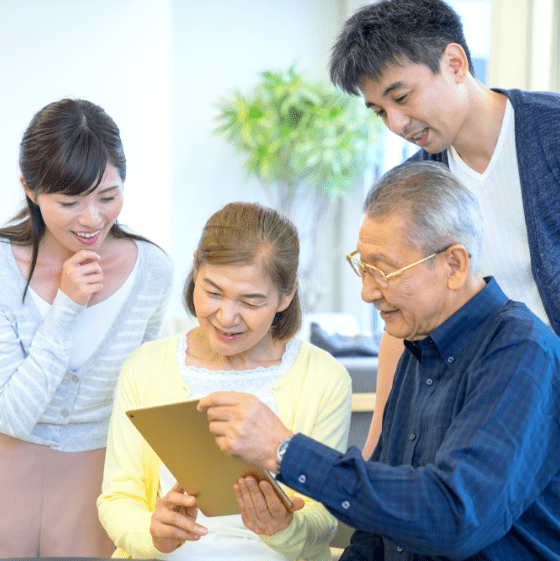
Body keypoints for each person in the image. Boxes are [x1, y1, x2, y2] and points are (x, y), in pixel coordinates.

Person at [199, 162, 560, 560]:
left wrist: (285, 451)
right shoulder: (415, 347)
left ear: (454, 265)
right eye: (363, 268)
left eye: (383, 271)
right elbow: (376, 534)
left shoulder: (521, 353)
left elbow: (456, 517)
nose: (367, 292)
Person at [329, 0, 560, 459]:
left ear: (454, 63)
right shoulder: (414, 188)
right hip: (486, 413)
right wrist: (377, 447)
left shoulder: (549, 134)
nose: (396, 124)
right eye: (379, 112)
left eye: (401, 98)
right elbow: (403, 320)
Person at [98, 202, 352, 560]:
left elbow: (325, 520)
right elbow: (117, 497)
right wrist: (152, 532)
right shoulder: (145, 367)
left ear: (287, 295)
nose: (226, 317)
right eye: (213, 292)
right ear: (195, 268)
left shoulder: (323, 378)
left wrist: (283, 526)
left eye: (251, 301)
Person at [0, 98, 173, 558]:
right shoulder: (1, 265)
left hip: (103, 481)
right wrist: (66, 308)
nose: (92, 219)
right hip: (6, 469)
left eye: (107, 196)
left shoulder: (151, 269)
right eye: (70, 202)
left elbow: (144, 393)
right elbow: (12, 417)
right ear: (30, 190)